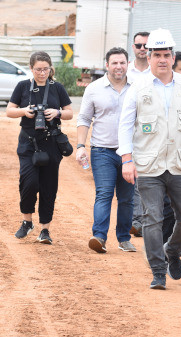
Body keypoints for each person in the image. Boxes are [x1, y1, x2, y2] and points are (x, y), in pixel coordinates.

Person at [117, 29, 181, 290]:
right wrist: (127, 159)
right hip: (149, 164)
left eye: (166, 54)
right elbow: (125, 125)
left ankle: (172, 249)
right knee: (152, 218)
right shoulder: (138, 87)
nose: (162, 59)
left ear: (173, 57)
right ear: (148, 58)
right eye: (156, 54)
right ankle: (158, 271)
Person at [6, 51, 74, 245]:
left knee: (48, 186)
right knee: (28, 182)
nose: (42, 73)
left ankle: (45, 229)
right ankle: (27, 221)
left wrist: (57, 112)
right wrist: (24, 111)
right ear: (31, 68)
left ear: (50, 69)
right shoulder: (23, 86)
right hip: (28, 142)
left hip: (51, 142)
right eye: (38, 69)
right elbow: (9, 111)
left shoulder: (57, 88)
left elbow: (70, 113)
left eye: (45, 69)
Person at [76, 47, 137, 254]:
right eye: (114, 63)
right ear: (106, 65)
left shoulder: (137, 87)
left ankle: (124, 238)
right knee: (104, 194)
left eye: (122, 62)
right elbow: (84, 119)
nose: (119, 66)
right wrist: (80, 146)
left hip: (130, 152)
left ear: (128, 64)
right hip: (102, 151)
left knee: (127, 198)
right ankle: (99, 237)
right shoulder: (93, 89)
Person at [128, 31, 150, 237]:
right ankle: (136, 220)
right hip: (132, 134)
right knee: (135, 179)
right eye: (139, 45)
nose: (142, 48)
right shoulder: (125, 73)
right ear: (133, 47)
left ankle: (147, 220)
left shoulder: (158, 72)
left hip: (152, 135)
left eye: (146, 45)